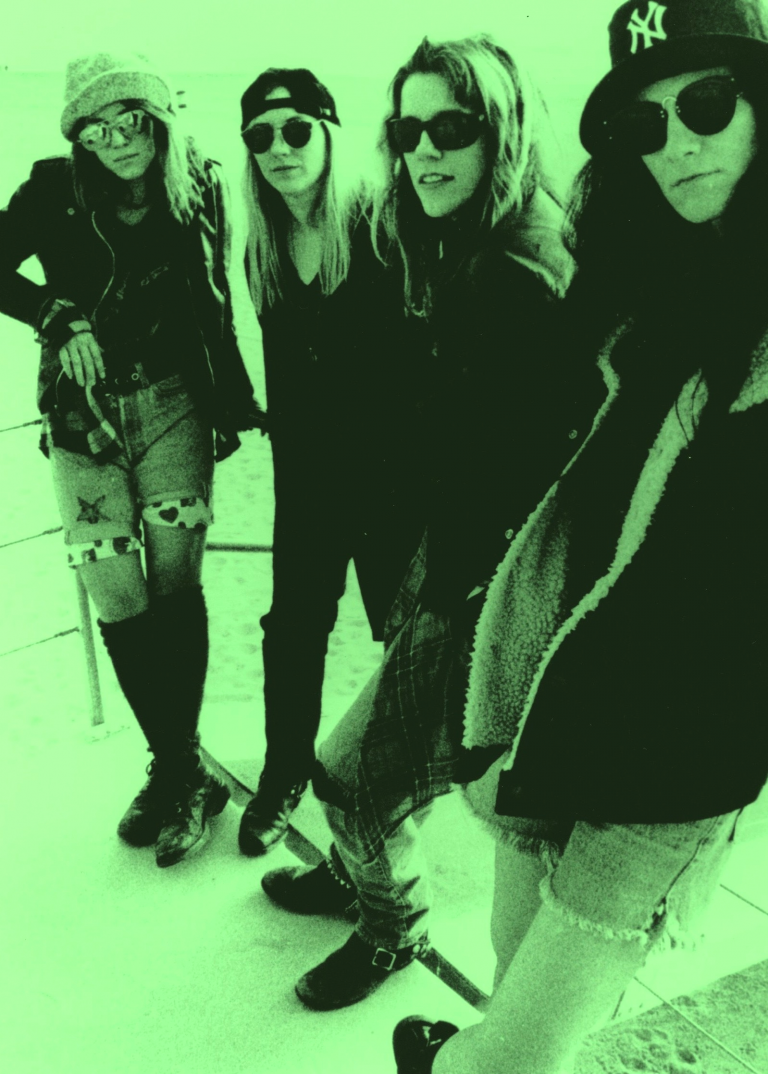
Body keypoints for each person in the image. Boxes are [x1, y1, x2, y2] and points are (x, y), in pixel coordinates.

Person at [391, 2, 768, 1071]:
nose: (678, 142)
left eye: (706, 104)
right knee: (515, 973)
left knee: (513, 1053)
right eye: (644, 125)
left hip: (681, 760)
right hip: (559, 714)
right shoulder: (646, 289)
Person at [261, 35, 604, 1010]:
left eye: (450, 128)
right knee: (377, 767)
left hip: (483, 583)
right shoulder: (473, 241)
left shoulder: (518, 272)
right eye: (407, 130)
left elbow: (549, 469)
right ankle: (357, 874)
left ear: (501, 130)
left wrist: (461, 596)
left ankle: (390, 929)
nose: (423, 151)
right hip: (447, 555)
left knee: (346, 778)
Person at [0, 52, 265, 869]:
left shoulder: (201, 183)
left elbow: (215, 297)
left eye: (131, 122)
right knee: (112, 586)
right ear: (77, 137)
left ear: (158, 119)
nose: (116, 141)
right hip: (81, 415)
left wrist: (234, 400)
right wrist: (55, 314)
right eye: (96, 129)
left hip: (175, 404)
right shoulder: (52, 188)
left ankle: (174, 774)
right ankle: (183, 770)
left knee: (175, 587)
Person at [236, 68, 427, 857]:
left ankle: (393, 799)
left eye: (296, 130)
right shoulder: (263, 247)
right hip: (308, 477)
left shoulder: (383, 224)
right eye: (261, 136)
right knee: (292, 627)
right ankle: (285, 771)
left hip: (391, 477)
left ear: (328, 133)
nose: (279, 148)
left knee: (402, 634)